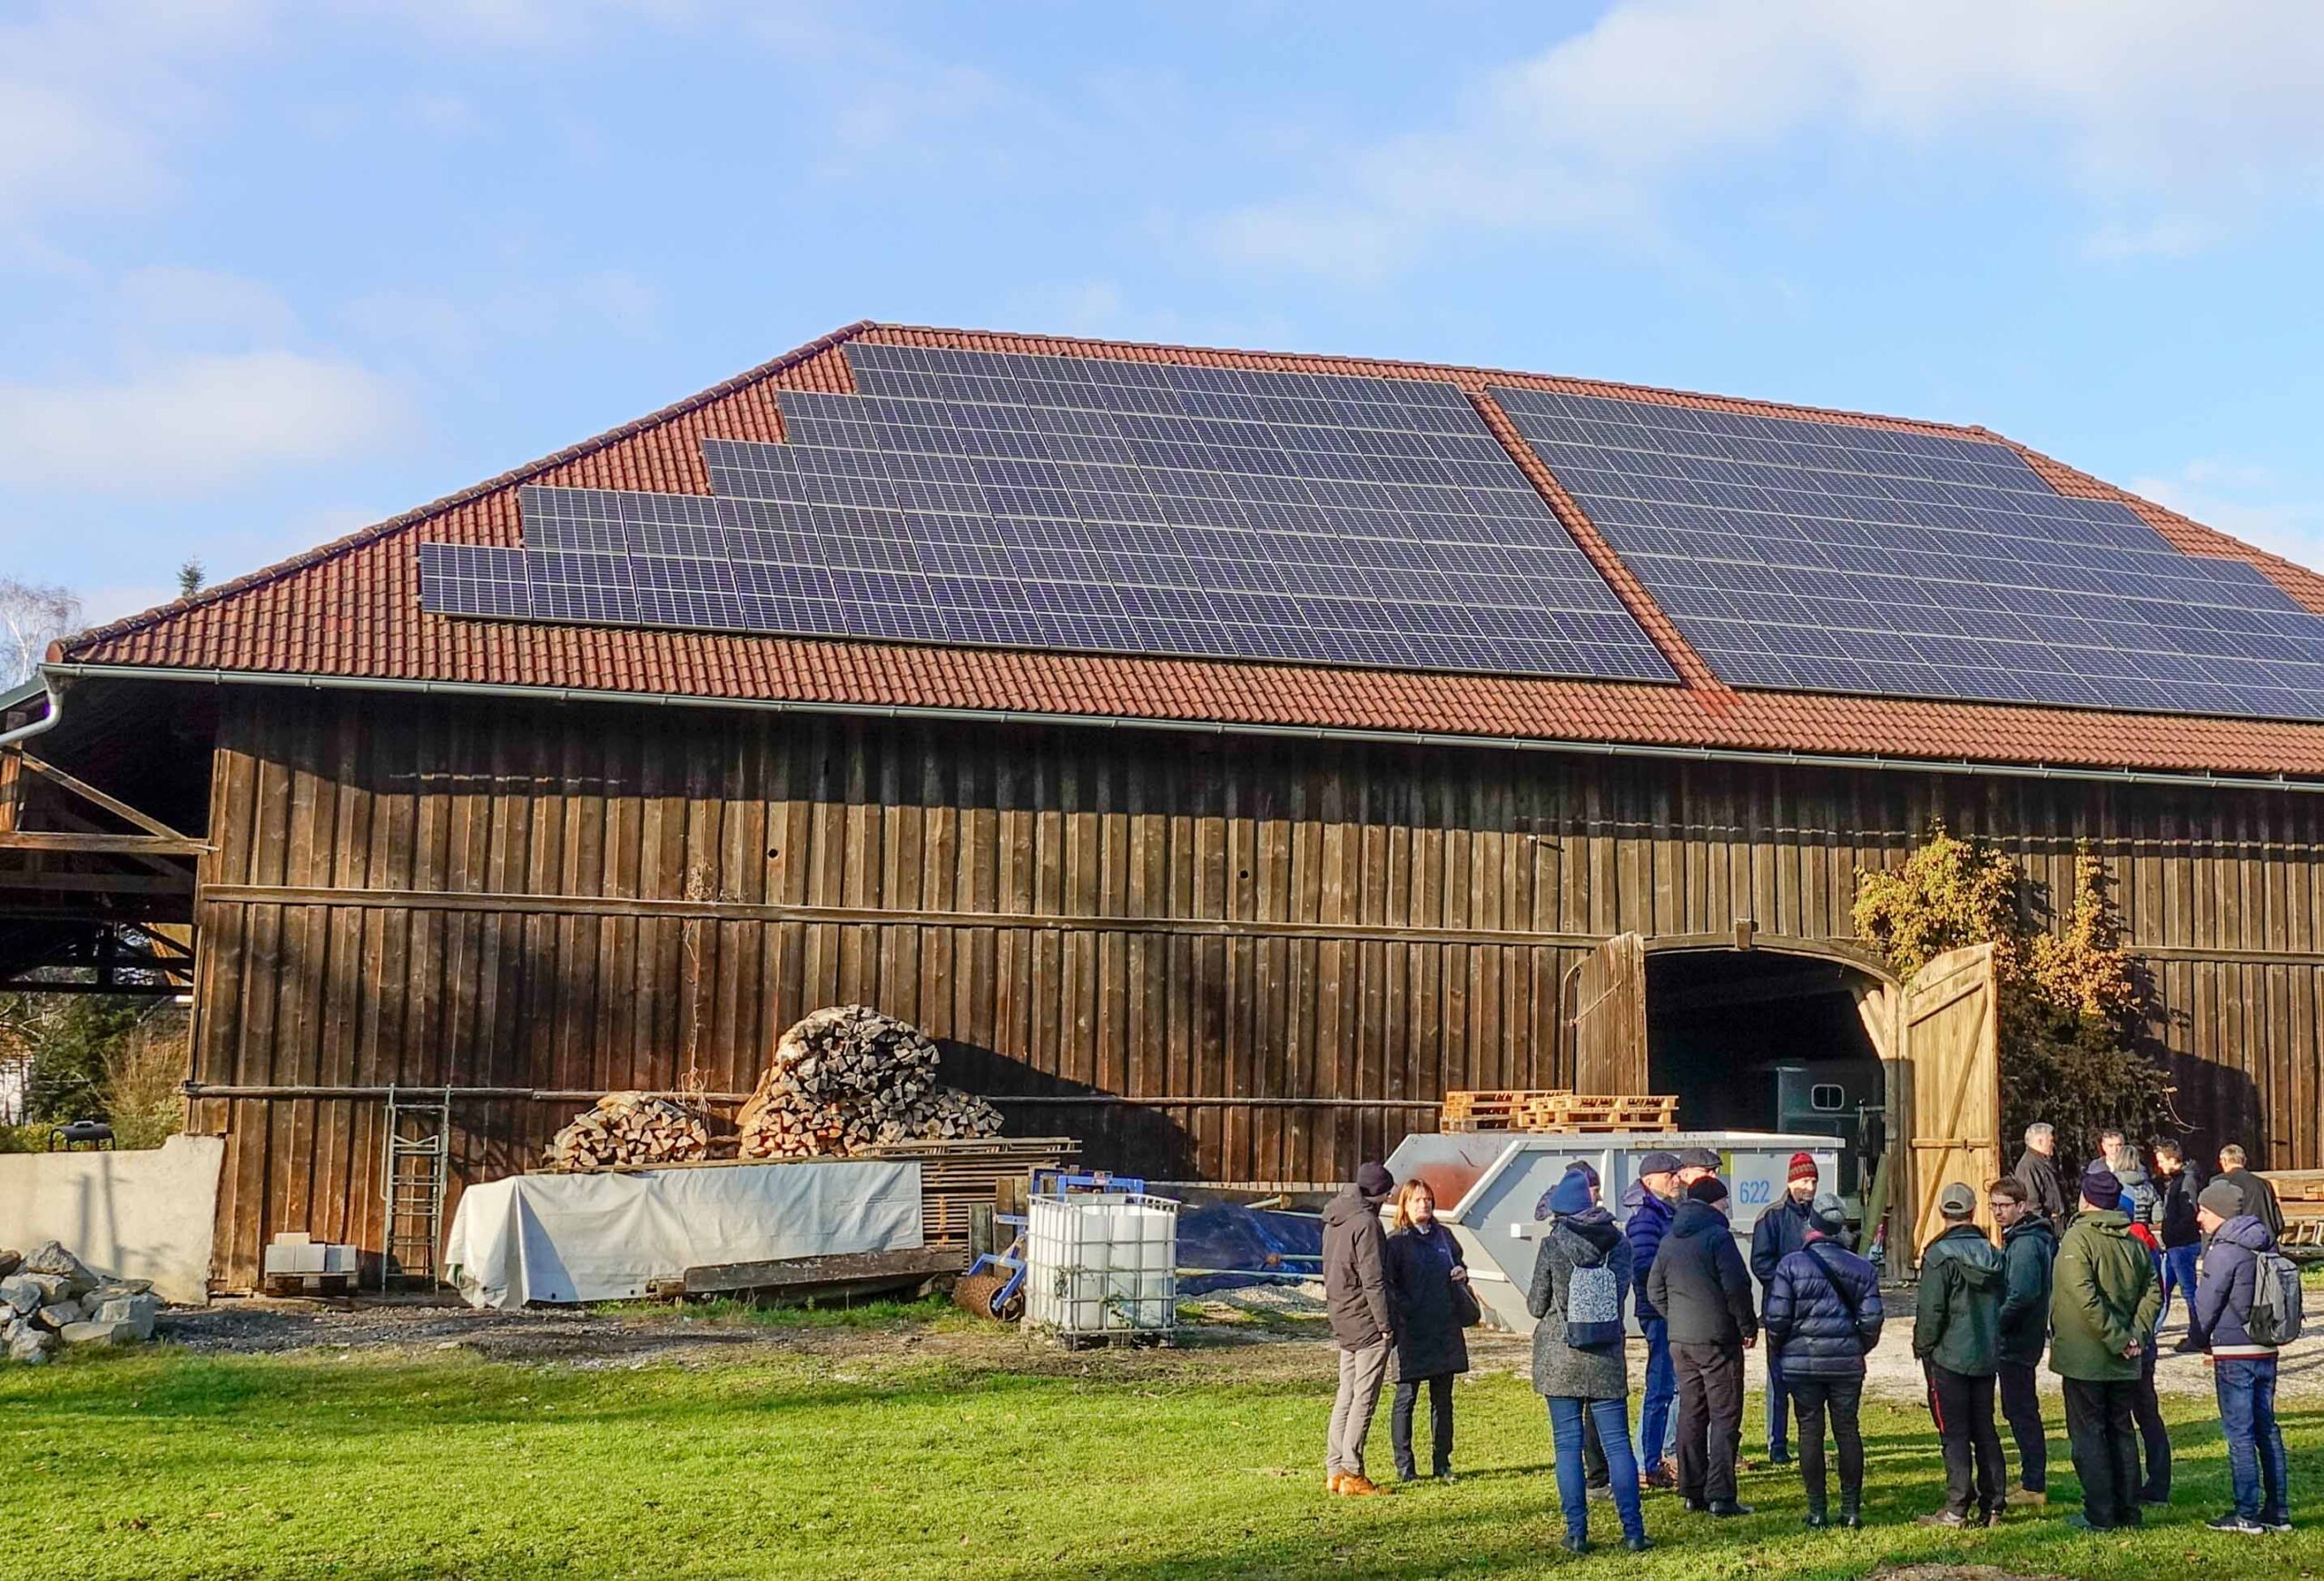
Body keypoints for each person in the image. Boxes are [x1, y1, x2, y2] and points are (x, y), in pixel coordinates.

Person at [1529, 1167, 1651, 1554]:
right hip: (1605, 1354)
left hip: (1560, 1356)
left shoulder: (1553, 1244)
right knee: (1618, 1446)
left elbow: (1535, 1305)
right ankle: (1633, 1532)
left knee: (1568, 1445)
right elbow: (1618, 1298)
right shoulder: (1620, 1243)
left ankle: (1577, 1533)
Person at [2049, 1162, 2161, 1532]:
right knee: (2122, 1432)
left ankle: (2099, 1513)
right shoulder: (2133, 1240)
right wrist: (2135, 1336)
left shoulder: (2077, 1240)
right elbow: (2153, 1292)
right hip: (2124, 1356)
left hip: (2088, 1358)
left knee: (2090, 1435)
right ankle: (2128, 1510)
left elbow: (2084, 1296)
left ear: (2086, 1200)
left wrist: (2119, 1337)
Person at [1761, 1191, 1883, 1530]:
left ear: (1811, 1226)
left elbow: (1777, 1320)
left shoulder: (1790, 1266)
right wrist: (1858, 1347)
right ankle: (1851, 1509)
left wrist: (1783, 1349)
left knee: (1809, 1432)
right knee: (1848, 1430)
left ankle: (1817, 1509)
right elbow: (1872, 1320)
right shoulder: (1862, 1267)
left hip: (1803, 1364)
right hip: (1846, 1363)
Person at [1647, 1176, 1758, 1517]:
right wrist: (1746, 1326)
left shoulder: (1669, 1240)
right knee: (1724, 1416)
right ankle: (1721, 1495)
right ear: (1714, 1204)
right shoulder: (1718, 1238)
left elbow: (1654, 1291)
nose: (1726, 1208)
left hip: (1681, 1342)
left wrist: (1678, 1320)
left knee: (1692, 1414)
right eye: (1724, 1203)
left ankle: (1692, 1490)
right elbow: (1737, 1287)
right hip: (1718, 1342)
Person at [2192, 1178, 2294, 1535]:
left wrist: (2196, 1339)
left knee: (2240, 1434)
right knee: (2267, 1430)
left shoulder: (2224, 1251)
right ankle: (2278, 1512)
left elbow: (2206, 1305)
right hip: (2266, 1347)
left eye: (2203, 1211)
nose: (2199, 1219)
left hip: (2234, 1350)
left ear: (2219, 1212)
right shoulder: (2262, 1244)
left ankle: (2246, 1513)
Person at [1913, 1181, 2006, 1527]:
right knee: (1985, 1429)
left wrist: (1923, 1346)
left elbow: (1931, 1312)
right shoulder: (1994, 1255)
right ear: (1972, 1212)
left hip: (1948, 1356)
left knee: (1953, 1433)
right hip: (1984, 1353)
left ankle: (1956, 1507)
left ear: (1942, 1212)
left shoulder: (1938, 1257)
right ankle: (1994, 1504)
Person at [1384, 1180, 1470, 1483]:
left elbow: (1460, 1265)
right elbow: (1387, 1286)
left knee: (1443, 1401)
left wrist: (1462, 1274)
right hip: (1411, 1331)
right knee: (1406, 1399)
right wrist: (1404, 1312)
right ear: (1405, 1205)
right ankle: (1405, 1467)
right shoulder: (1395, 1243)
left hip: (1444, 1328)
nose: (1424, 1205)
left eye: (1428, 1200)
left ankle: (1442, 1462)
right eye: (1418, 1200)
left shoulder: (1444, 1237)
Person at [1323, 1161, 1397, 1497]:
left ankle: (1335, 1469)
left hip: (1342, 1315)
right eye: (1388, 1191)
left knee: (1345, 1394)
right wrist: (1385, 1325)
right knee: (1363, 1398)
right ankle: (1353, 1472)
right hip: (1366, 1320)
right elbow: (1374, 1280)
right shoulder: (1367, 1223)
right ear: (1378, 1192)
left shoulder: (1334, 1216)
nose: (1389, 1196)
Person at [1990, 1177, 2057, 1507]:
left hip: (2019, 1338)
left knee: (2022, 1410)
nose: (1998, 1212)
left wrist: (1996, 1324)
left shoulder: (2028, 1243)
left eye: (2004, 1206)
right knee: (2018, 1409)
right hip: (2019, 1336)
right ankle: (2032, 1479)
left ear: (2021, 1206)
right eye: (1994, 1206)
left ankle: (2034, 1483)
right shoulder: (2022, 1238)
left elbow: (2023, 1294)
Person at [1749, 1151, 1819, 1467]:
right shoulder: (1771, 1217)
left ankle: (1811, 1439)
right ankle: (1776, 1443)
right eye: (1805, 1180)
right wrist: (1791, 1281)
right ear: (1791, 1181)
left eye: (1814, 1181)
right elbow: (1760, 1263)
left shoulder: (1819, 1216)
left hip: (1814, 1311)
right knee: (1777, 1381)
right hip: (1780, 1309)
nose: (1810, 1187)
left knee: (1812, 1379)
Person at [1626, 1151, 1684, 1491]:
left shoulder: (1666, 1213)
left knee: (1670, 1386)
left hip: (1670, 1309)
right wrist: (1666, 1301)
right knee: (1660, 1388)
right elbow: (1645, 1270)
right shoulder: (1645, 1219)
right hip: (1659, 1313)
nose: (1675, 1179)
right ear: (1650, 1181)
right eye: (1669, 1174)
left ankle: (1655, 1459)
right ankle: (1646, 1464)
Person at [2120, 1196, 2171, 1506]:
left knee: (2123, 1418)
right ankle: (2159, 1483)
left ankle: (2131, 1484)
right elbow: (2156, 1297)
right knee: (2148, 1415)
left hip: (2128, 1341)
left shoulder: (2129, 1244)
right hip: (2144, 1340)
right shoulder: (2149, 1243)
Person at [2151, 1141, 2204, 1346]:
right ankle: (2150, 1333)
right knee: (2162, 1288)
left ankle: (2198, 1334)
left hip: (2183, 1244)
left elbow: (2189, 1213)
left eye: (2162, 1161)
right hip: (2175, 1245)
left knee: (2189, 1291)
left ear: (2174, 1160)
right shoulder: (2177, 1179)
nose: (2160, 1166)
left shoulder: (2186, 1181)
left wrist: (2172, 1233)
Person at [2216, 1145, 2288, 1240]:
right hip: (2265, 1241)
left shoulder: (2218, 1183)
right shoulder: (2264, 1184)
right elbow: (2278, 1222)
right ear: (2244, 1161)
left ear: (2224, 1161)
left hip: (2232, 1244)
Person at [2012, 1122, 2068, 1222]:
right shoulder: (2028, 1165)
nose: (2053, 1144)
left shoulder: (2043, 1162)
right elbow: (2031, 1204)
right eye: (2050, 1141)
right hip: (2045, 1226)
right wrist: (2044, 1224)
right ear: (2040, 1141)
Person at [2105, 1134, 2158, 1230]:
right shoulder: (2149, 1187)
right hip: (2141, 1235)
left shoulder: (2110, 1185)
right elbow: (2158, 1218)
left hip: (2118, 1234)